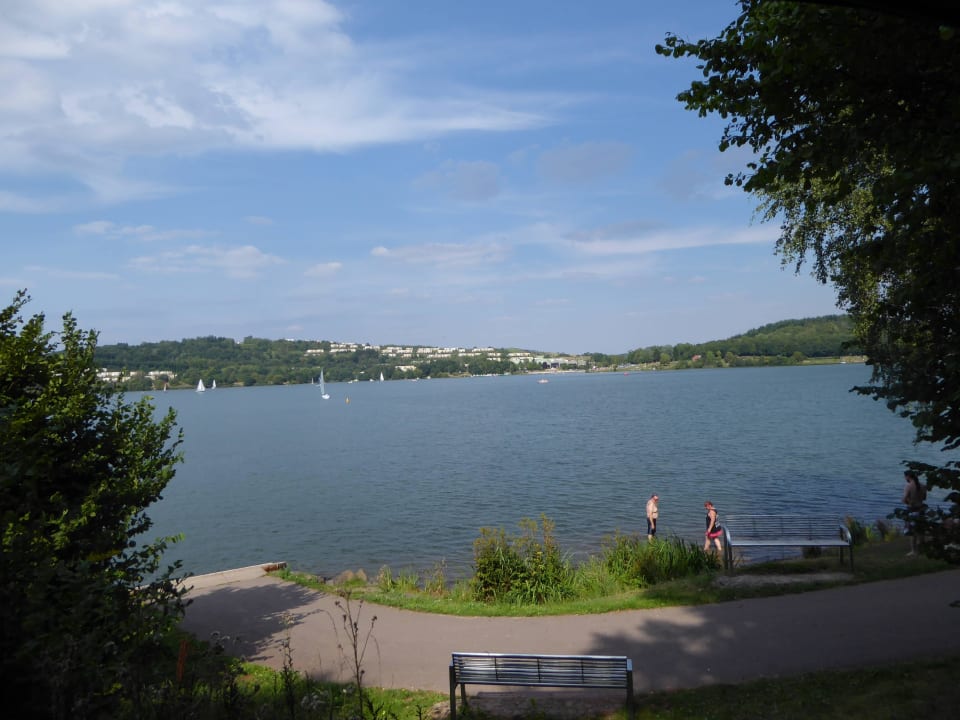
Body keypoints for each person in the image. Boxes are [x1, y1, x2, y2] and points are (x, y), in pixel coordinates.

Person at [902, 469, 927, 555]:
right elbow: (924, 498)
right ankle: (923, 549)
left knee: (912, 532)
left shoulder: (908, 486)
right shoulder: (923, 486)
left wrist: (909, 502)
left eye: (905, 476)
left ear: (908, 476)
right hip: (921, 509)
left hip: (912, 510)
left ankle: (914, 551)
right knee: (921, 530)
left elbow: (904, 499)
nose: (905, 478)